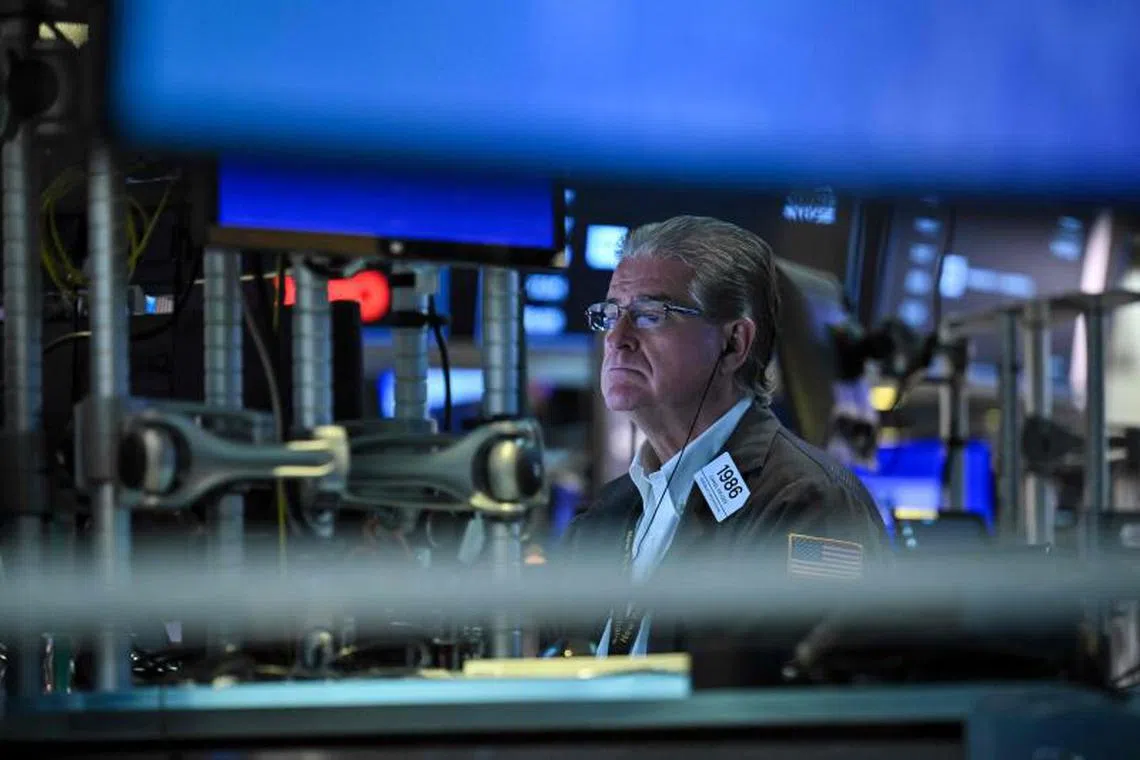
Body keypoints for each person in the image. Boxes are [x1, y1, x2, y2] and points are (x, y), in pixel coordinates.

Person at [559, 215, 887, 681]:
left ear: (734, 343)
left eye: (650, 314)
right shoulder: (605, 517)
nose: (616, 338)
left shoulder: (809, 505)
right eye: (611, 314)